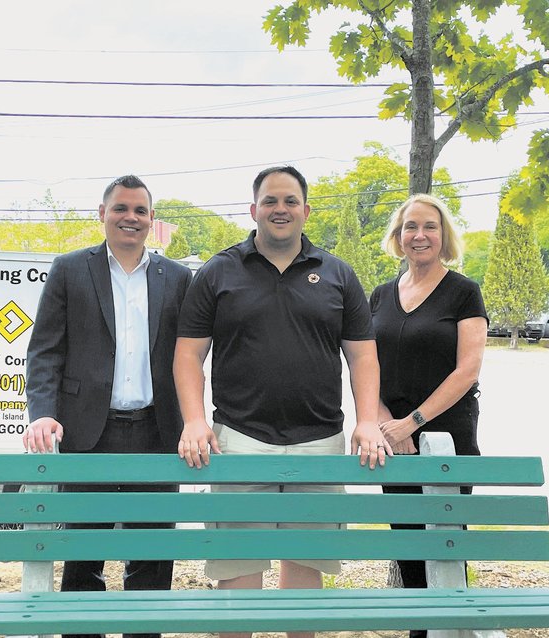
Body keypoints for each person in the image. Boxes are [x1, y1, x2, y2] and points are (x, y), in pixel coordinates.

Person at [174, 165, 389, 638]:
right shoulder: (217, 271)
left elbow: (363, 357)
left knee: (305, 574)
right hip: (241, 439)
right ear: (253, 210)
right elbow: (188, 355)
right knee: (236, 573)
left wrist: (368, 421)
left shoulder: (338, 274)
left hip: (321, 442)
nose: (280, 209)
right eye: (270, 201)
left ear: (306, 211)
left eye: (290, 201)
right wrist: (193, 421)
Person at [22, 175, 192, 638]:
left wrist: (195, 420)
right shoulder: (69, 269)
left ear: (152, 220)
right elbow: (44, 352)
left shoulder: (177, 278)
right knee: (82, 554)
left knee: (153, 557)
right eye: (121, 208)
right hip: (85, 434)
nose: (130, 218)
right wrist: (41, 412)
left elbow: (191, 354)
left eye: (140, 210)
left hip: (157, 434)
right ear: (102, 214)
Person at [369, 193, 488, 638]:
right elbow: (366, 367)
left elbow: (467, 370)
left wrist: (411, 423)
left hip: (447, 439)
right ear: (398, 238)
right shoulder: (380, 295)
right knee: (407, 542)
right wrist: (386, 425)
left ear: (444, 237)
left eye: (430, 227)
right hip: (391, 441)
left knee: (444, 544)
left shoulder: (463, 292)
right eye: (410, 227)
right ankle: (422, 630)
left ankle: (448, 629)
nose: (419, 235)